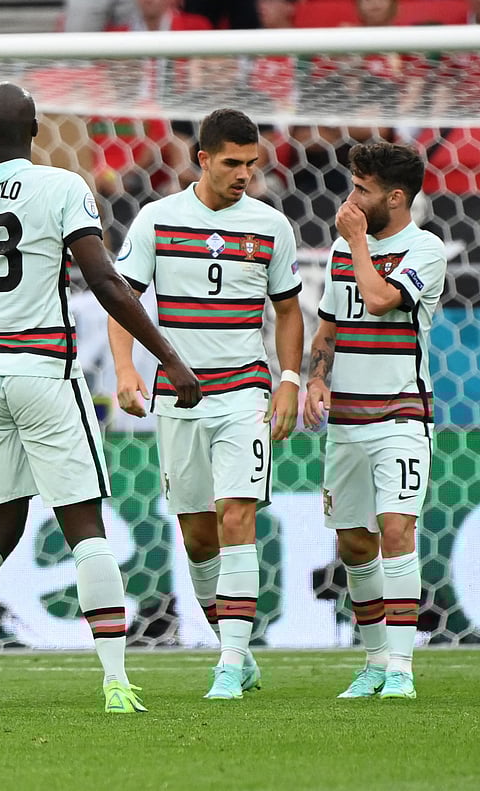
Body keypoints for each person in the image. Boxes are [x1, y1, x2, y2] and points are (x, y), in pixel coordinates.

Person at [0, 51, 200, 714]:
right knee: (84, 524)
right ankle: (116, 680)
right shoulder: (59, 187)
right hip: (42, 371)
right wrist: (165, 355)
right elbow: (105, 280)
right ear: (34, 129)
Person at [108, 108, 304, 700]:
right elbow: (124, 299)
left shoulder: (271, 226)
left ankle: (230, 659)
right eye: (232, 163)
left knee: (237, 517)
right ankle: (232, 646)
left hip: (244, 389)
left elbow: (289, 309)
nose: (244, 173)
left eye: (252, 163)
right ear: (202, 160)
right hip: (177, 396)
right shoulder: (157, 220)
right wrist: (124, 371)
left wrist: (289, 378)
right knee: (197, 535)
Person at [304, 142, 445, 701]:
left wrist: (359, 241)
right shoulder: (343, 249)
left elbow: (382, 298)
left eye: (363, 190)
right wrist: (316, 379)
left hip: (401, 415)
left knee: (396, 532)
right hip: (347, 421)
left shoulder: (425, 249)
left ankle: (403, 671)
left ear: (395, 197)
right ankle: (375, 661)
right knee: (355, 545)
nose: (352, 199)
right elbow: (329, 329)